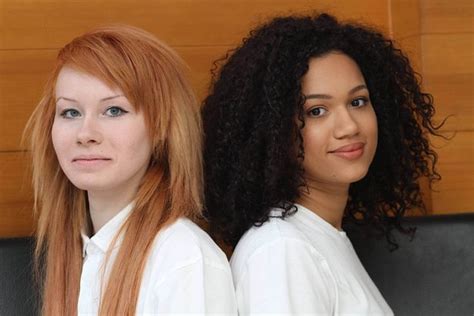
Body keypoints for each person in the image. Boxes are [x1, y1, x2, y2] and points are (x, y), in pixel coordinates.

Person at [202, 14, 441, 315]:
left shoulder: (317, 235)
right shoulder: (282, 250)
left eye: (357, 102)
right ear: (273, 131)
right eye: (316, 111)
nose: (349, 126)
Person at [24, 25, 237, 315]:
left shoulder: (183, 258)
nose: (85, 134)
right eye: (70, 112)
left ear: (162, 128)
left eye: (114, 111)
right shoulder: (79, 248)